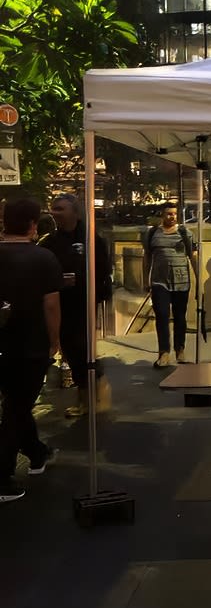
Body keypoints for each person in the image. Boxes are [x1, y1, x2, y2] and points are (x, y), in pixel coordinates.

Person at [0, 197, 62, 502]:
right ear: (33, 224)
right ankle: (2, 475)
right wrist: (55, 342)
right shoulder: (44, 258)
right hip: (30, 345)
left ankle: (37, 453)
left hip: (2, 345)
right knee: (16, 408)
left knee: (15, 404)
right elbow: (51, 305)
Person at [41, 193, 112, 417]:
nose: (54, 212)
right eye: (53, 208)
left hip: (86, 302)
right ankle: (87, 394)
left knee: (82, 348)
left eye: (60, 208)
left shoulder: (91, 238)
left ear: (74, 212)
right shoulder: (50, 241)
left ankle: (92, 396)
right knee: (71, 350)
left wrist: (80, 281)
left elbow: (103, 269)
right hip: (62, 304)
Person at [143, 201, 197, 368]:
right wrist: (146, 280)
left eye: (174, 214)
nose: (172, 217)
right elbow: (147, 258)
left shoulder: (184, 233)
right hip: (160, 282)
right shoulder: (153, 233)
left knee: (180, 317)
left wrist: (199, 279)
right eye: (168, 214)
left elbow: (193, 256)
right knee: (162, 316)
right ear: (162, 215)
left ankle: (180, 350)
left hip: (181, 282)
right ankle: (164, 352)